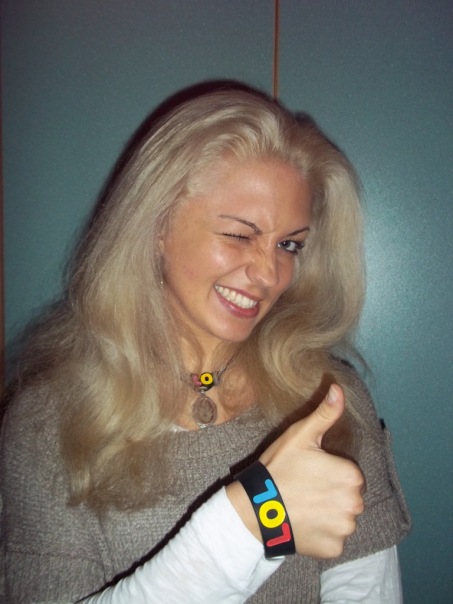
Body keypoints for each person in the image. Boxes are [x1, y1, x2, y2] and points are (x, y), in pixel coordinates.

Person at [0, 87, 410, 603]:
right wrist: (257, 517)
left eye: (289, 244)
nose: (269, 273)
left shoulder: (326, 399)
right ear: (157, 227)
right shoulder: (51, 425)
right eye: (240, 235)